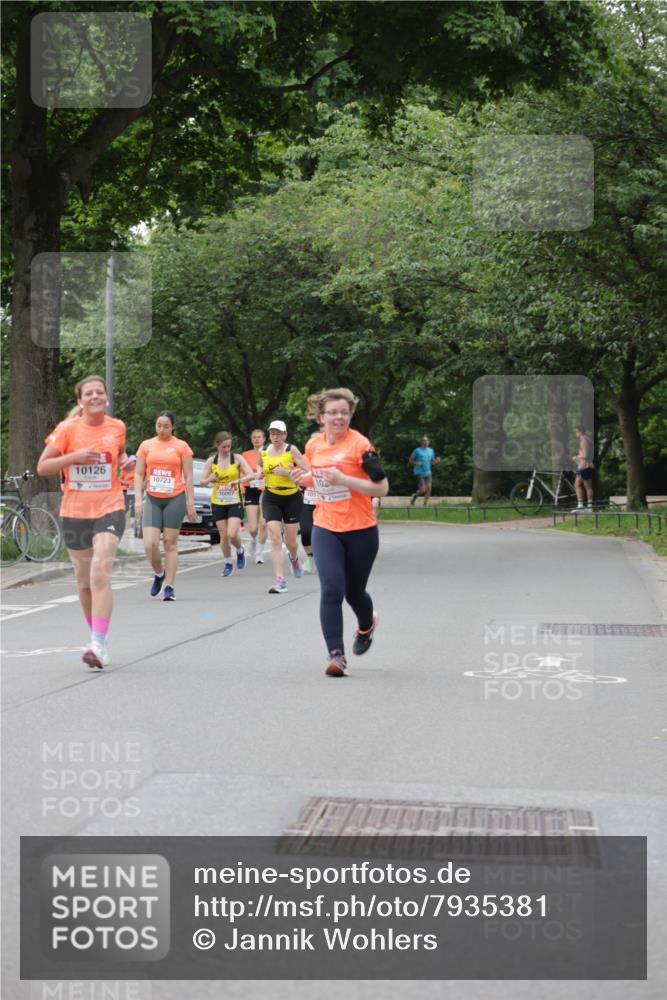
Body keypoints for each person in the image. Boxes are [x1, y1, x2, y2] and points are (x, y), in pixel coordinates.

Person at [37, 374, 132, 668]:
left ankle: (98, 644)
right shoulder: (67, 429)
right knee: (83, 581)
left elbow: (119, 454)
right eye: (88, 393)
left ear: (106, 398)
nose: (94, 396)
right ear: (80, 401)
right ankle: (96, 636)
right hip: (75, 512)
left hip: (110, 507)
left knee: (99, 574)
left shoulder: (117, 427)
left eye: (99, 392)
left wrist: (127, 461)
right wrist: (74, 457)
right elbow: (42, 467)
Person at [293, 388, 389, 677]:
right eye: (333, 413)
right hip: (326, 526)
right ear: (321, 417)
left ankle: (366, 624)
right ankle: (336, 655)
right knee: (332, 588)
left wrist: (346, 478)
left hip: (361, 529)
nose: (339, 417)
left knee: (354, 593)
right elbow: (319, 478)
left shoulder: (361, 446)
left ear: (350, 415)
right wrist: (304, 479)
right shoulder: (314, 447)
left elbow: (382, 487)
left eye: (344, 413)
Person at [134, 411, 196, 601]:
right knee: (149, 544)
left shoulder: (181, 447)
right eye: (159, 425)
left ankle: (169, 586)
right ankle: (159, 573)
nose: (162, 429)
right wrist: (138, 499)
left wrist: (190, 503)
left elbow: (189, 477)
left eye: (166, 426)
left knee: (170, 543)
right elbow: (138, 474)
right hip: (153, 498)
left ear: (173, 427)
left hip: (174, 498)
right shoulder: (146, 445)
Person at [255, 419, 309, 593]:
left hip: (292, 497)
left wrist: (288, 472)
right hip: (271, 497)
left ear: (285, 434)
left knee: (291, 541)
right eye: (272, 433)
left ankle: (294, 558)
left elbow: (307, 470)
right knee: (275, 537)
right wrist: (258, 473)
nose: (275, 436)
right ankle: (280, 580)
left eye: (279, 433)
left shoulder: (290, 450)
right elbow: (259, 465)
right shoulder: (263, 451)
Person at [201, 432, 253, 576]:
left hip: (234, 501)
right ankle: (228, 563)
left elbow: (251, 474)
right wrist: (210, 478)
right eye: (224, 447)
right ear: (217, 445)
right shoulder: (212, 461)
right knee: (223, 535)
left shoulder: (236, 458)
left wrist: (238, 481)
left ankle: (240, 550)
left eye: (229, 446)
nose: (227, 449)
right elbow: (202, 481)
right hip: (218, 501)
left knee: (231, 533)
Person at [241, 429, 269, 564]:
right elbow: (240, 474)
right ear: (251, 440)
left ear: (264, 439)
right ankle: (253, 540)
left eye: (259, 437)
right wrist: (251, 475)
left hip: (266, 489)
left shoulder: (269, 452)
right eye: (254, 438)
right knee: (253, 528)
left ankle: (259, 552)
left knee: (263, 523)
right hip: (251, 489)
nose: (257, 440)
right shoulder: (245, 455)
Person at [409, 435, 440, 505]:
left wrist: (437, 461)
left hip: (428, 472)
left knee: (429, 488)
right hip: (419, 472)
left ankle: (425, 504)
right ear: (421, 442)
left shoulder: (431, 450)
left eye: (427, 440)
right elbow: (410, 460)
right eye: (424, 441)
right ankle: (414, 496)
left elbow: (432, 461)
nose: (426, 442)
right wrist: (417, 463)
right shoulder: (417, 450)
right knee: (423, 490)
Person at [573, 425, 594, 511]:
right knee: (587, 485)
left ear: (580, 432)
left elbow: (585, 455)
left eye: (576, 432)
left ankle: (581, 505)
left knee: (577, 484)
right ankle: (589, 506)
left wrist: (576, 457)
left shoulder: (583, 440)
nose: (576, 433)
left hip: (583, 465)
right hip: (588, 465)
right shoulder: (588, 439)